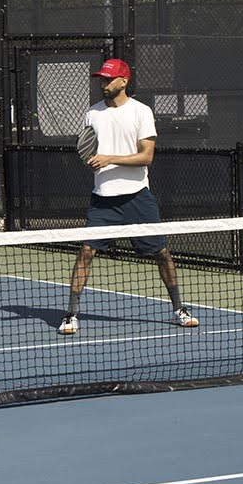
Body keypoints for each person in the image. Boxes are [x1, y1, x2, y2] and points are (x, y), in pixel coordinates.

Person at [58, 58, 198, 335]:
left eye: (109, 79)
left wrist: (109, 158)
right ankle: (71, 314)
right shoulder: (92, 113)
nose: (104, 83)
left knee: (162, 253)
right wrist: (92, 160)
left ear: (124, 81)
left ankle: (179, 309)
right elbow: (88, 149)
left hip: (137, 197)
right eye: (102, 79)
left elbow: (146, 156)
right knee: (86, 252)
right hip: (103, 199)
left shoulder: (141, 112)